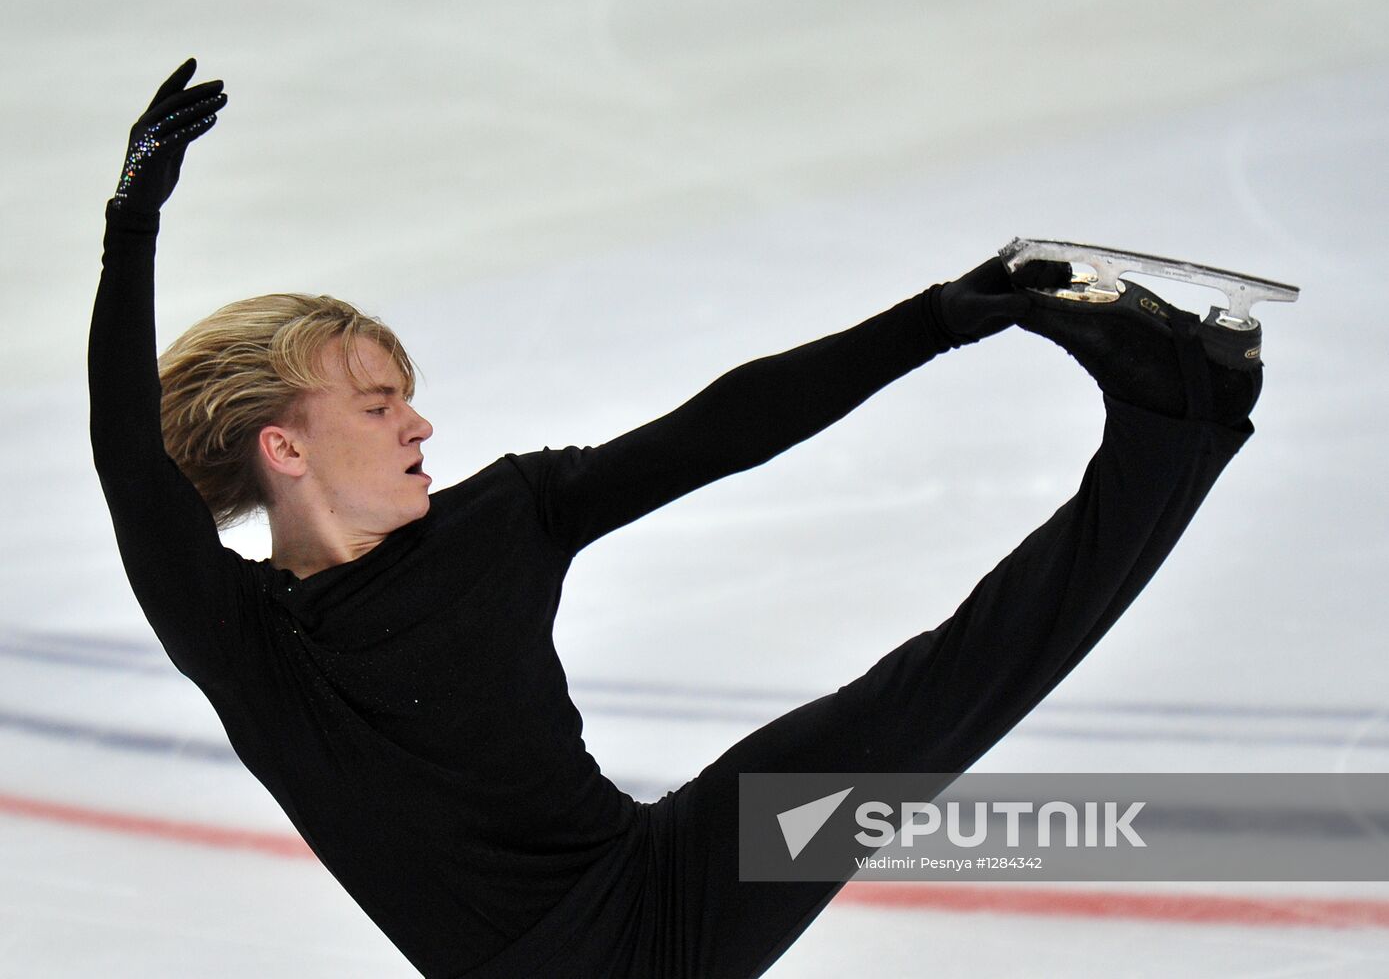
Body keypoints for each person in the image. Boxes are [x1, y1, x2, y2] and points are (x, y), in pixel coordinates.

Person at [89, 60, 1259, 979]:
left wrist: (940, 318)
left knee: (921, 699)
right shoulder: (255, 645)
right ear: (282, 447)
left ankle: (1174, 416)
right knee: (918, 707)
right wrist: (131, 223)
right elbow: (131, 470)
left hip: (671, 879)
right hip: (550, 972)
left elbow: (719, 428)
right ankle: (1178, 421)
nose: (420, 427)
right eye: (382, 402)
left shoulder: (504, 518)